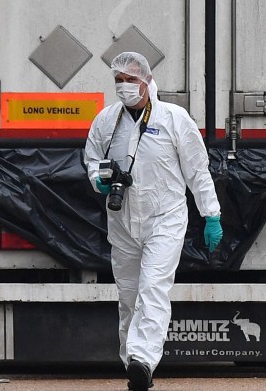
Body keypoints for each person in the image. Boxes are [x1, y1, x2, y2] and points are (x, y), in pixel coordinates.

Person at [84, 51, 222, 391]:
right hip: (122, 222)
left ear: (146, 81)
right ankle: (132, 362)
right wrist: (98, 178)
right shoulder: (106, 121)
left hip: (165, 220)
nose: (124, 87)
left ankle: (143, 360)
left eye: (131, 80)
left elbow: (197, 171)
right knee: (129, 297)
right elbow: (91, 159)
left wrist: (211, 214)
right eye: (119, 81)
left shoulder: (174, 119)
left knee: (152, 290)